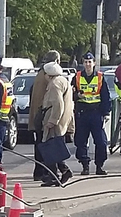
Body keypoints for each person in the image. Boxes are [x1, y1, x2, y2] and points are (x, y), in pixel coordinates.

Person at [71, 52, 111, 175]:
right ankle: (85, 166)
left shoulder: (100, 77)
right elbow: (70, 95)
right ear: (83, 63)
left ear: (94, 63)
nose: (88, 64)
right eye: (86, 62)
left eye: (90, 62)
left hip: (96, 113)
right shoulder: (77, 77)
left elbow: (105, 96)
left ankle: (99, 166)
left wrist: (106, 113)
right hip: (82, 114)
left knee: (101, 141)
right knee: (81, 141)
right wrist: (77, 95)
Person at [40, 61, 74, 187]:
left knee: (50, 148)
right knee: (54, 147)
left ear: (49, 74)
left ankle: (56, 174)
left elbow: (58, 104)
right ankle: (60, 173)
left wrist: (52, 121)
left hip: (54, 121)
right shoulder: (63, 81)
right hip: (63, 120)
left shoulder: (54, 84)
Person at [30, 50, 62, 181]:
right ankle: (46, 172)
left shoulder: (39, 74)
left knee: (39, 144)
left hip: (37, 115)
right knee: (46, 144)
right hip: (45, 116)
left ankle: (39, 171)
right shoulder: (49, 76)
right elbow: (55, 100)